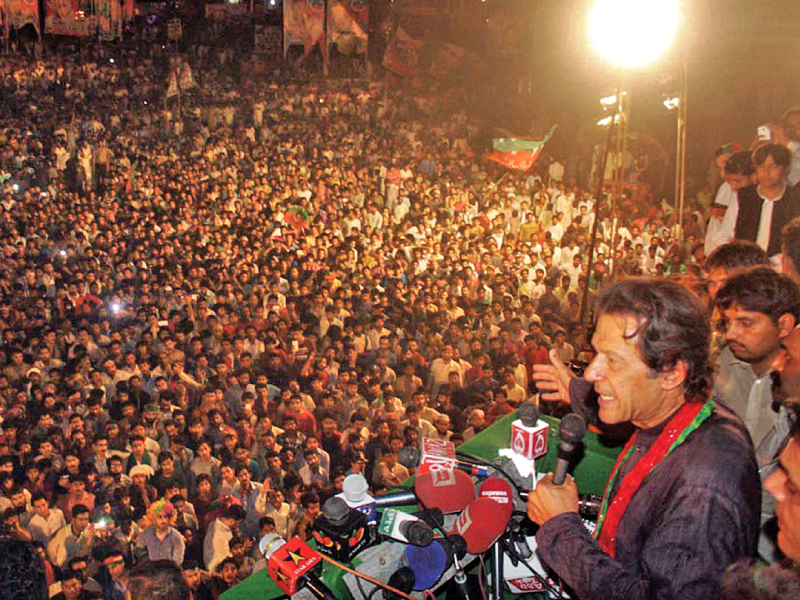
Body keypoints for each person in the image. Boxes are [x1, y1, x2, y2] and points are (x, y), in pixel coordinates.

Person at [529, 278, 760, 600]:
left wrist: (561, 528)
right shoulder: (680, 413)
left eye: (613, 360)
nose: (593, 372)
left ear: (671, 373)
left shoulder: (705, 485)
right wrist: (575, 390)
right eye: (596, 354)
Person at [719, 144, 800, 261]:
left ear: (785, 168)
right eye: (761, 166)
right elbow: (725, 233)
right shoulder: (743, 197)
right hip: (745, 268)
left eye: (773, 166)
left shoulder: (795, 199)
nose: (766, 172)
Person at [135, 498, 186, 565]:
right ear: (153, 518)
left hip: (170, 572)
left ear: (170, 518)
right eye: (160, 517)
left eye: (166, 517)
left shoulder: (176, 536)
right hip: (151, 572)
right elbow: (139, 551)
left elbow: (178, 561)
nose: (163, 520)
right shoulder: (146, 534)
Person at [47, 504, 96, 568]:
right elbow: (58, 562)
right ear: (73, 520)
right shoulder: (62, 536)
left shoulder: (89, 530)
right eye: (80, 520)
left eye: (86, 519)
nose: (84, 523)